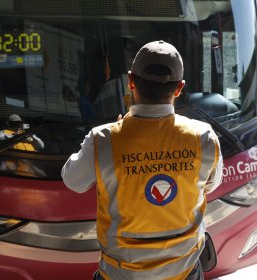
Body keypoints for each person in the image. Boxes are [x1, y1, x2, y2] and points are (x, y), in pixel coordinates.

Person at [61, 40, 223, 280]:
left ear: (130, 81)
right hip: (184, 271)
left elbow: (72, 180)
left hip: (120, 273)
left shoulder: (104, 139)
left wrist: (118, 131)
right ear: (179, 88)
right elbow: (211, 184)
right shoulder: (204, 137)